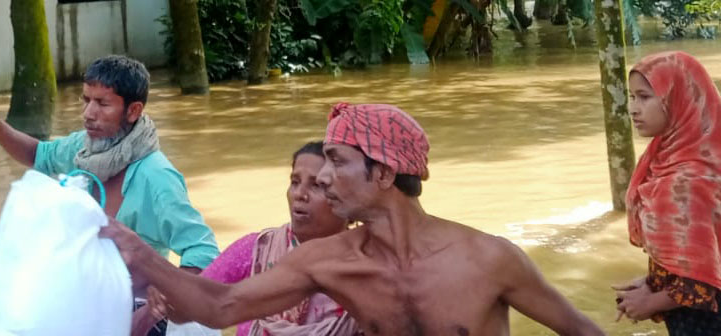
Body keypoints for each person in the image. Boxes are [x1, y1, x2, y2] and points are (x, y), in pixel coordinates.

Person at [102, 102, 606, 336]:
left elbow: (582, 331)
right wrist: (144, 256)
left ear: (384, 173)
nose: (321, 180)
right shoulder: (328, 261)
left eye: (337, 162)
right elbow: (220, 306)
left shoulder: (489, 259)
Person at [0, 55, 219, 335]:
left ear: (133, 110)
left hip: (135, 304)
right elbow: (37, 154)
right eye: (86, 100)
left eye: (102, 104)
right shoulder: (84, 148)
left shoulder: (156, 177)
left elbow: (203, 253)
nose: (88, 113)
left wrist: (154, 309)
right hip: (83, 292)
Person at [193, 141, 357, 336]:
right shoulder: (259, 249)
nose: (300, 194)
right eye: (295, 182)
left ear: (350, 202)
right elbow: (198, 296)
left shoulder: (372, 268)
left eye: (317, 185)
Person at [613, 51, 721, 333]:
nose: (633, 108)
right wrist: (653, 281)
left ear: (678, 98)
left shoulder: (686, 183)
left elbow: (703, 285)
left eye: (645, 97)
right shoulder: (700, 162)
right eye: (632, 97)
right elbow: (704, 257)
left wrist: (651, 302)